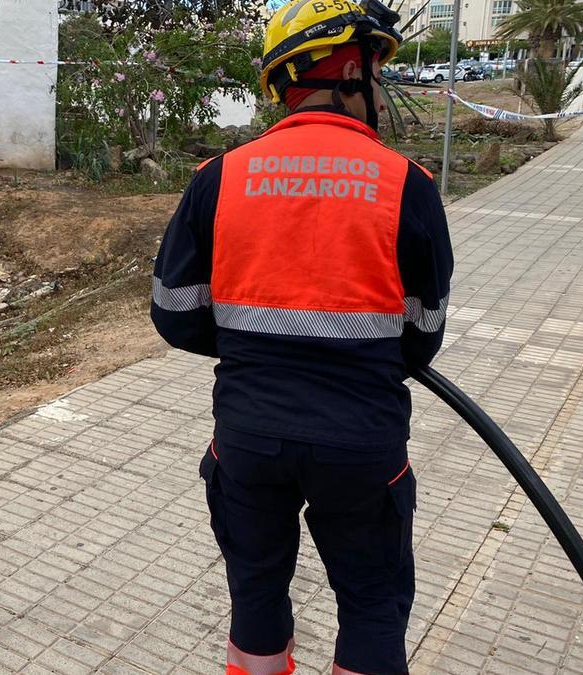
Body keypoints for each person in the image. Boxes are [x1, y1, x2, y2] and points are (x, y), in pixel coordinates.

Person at [150, 0, 453, 672]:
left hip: (250, 437)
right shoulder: (407, 184)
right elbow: (423, 332)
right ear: (347, 68)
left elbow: (173, 311)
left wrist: (253, 344)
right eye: (375, 68)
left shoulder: (219, 179)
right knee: (372, 601)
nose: (379, 86)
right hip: (361, 443)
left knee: (255, 589)